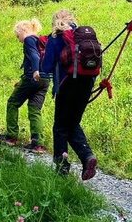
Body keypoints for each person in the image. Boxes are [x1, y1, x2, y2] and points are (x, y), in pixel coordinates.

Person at [37, 9, 98, 180]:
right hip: (86, 83)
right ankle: (87, 157)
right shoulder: (83, 37)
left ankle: (61, 167)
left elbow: (46, 67)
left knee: (60, 127)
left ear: (55, 21)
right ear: (72, 19)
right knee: (73, 123)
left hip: (66, 84)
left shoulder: (55, 38)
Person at [0, 19, 50, 152]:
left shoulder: (29, 40)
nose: (19, 40)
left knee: (12, 103)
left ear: (23, 30)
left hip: (33, 77)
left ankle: (11, 136)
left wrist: (35, 71)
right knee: (35, 109)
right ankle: (38, 143)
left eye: (18, 36)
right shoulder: (41, 41)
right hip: (45, 79)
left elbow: (34, 56)